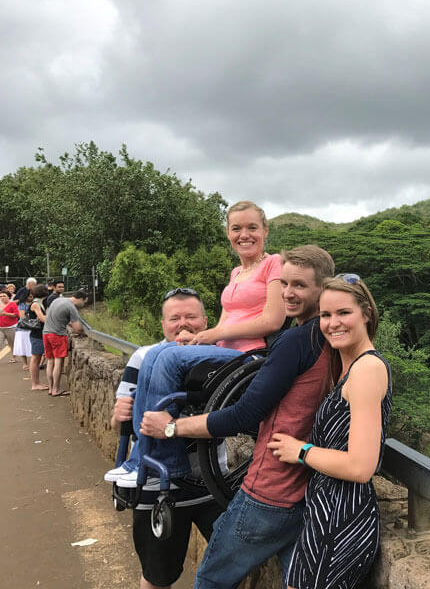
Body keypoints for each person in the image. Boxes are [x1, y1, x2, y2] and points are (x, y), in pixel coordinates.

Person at [139, 245, 336, 589]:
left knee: (211, 580)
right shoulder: (331, 338)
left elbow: (245, 415)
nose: (288, 293)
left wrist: (171, 427)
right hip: (310, 487)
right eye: (284, 284)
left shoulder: (294, 342)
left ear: (324, 288)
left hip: (271, 490)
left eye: (300, 286)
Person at [105, 200, 286, 484]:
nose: (244, 234)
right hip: (224, 353)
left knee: (166, 357)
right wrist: (198, 338)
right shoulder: (236, 273)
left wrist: (210, 336)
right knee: (159, 352)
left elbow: (273, 320)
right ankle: (143, 459)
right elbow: (225, 326)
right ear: (228, 233)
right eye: (236, 228)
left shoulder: (274, 264)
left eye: (252, 227)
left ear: (265, 230)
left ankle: (150, 462)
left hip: (251, 358)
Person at [268, 274, 392, 589]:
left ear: (366, 313)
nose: (333, 322)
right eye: (326, 315)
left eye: (343, 313)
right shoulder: (347, 369)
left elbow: (361, 467)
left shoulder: (367, 370)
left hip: (342, 520)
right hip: (325, 513)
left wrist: (301, 451)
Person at [112, 288, 226, 589]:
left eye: (191, 316)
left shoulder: (220, 356)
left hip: (213, 482)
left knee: (229, 569)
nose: (183, 324)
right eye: (174, 318)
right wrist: (121, 412)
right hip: (158, 488)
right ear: (163, 324)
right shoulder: (143, 357)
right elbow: (118, 424)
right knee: (157, 574)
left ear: (205, 320)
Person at [42, 289, 87, 396]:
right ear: (80, 299)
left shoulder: (58, 300)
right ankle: (56, 389)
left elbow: (50, 314)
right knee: (58, 362)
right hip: (57, 335)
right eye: (84, 302)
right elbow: (77, 328)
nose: (83, 304)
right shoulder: (71, 307)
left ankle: (50, 388)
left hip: (46, 333)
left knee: (50, 361)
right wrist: (84, 332)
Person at [26, 285, 49, 390]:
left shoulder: (39, 303)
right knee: (36, 359)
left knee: (37, 358)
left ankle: (37, 382)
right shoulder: (36, 304)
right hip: (37, 335)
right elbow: (42, 318)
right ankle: (35, 384)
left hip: (38, 334)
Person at [0, 290, 20, 362]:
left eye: (4, 296)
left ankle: (13, 358)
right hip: (0, 328)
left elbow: (17, 315)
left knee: (12, 344)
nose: (2, 298)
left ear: (9, 297)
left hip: (11, 327)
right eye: (0, 296)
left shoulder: (12, 304)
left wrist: (6, 314)